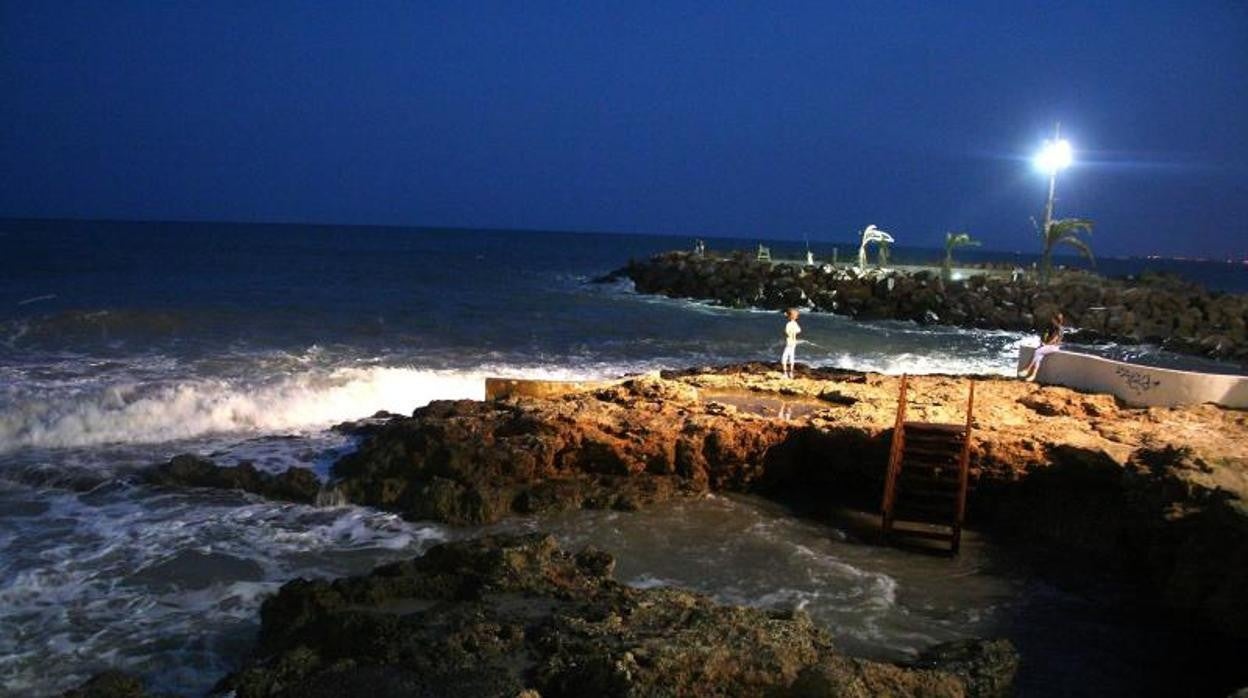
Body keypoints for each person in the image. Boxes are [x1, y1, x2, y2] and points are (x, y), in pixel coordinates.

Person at [1020, 311, 1064, 380]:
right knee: (1039, 357)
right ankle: (1033, 375)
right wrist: (1042, 342)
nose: (1051, 320)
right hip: (1047, 346)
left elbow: (1054, 340)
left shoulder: (1059, 329)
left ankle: (1027, 369)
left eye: (1053, 319)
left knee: (1037, 352)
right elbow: (1045, 335)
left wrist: (1045, 344)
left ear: (1056, 320)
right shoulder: (1052, 326)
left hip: (1054, 347)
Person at [781, 308, 801, 379]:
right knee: (792, 357)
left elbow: (786, 332)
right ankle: (791, 373)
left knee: (784, 357)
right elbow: (799, 330)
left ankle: (785, 373)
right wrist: (793, 332)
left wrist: (786, 333)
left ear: (789, 316)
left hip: (789, 342)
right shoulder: (795, 324)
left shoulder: (788, 324)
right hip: (794, 342)